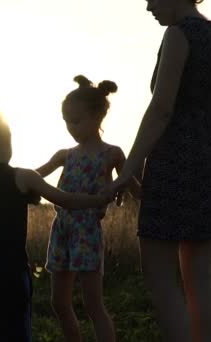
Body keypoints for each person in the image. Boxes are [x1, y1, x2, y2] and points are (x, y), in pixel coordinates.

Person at [104, 1, 211, 341]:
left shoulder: (178, 35)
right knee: (198, 276)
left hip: (176, 163)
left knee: (160, 274)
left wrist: (126, 171)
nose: (148, 6)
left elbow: (161, 110)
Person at [0, 107, 113, 342]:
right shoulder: (23, 177)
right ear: (9, 140)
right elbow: (66, 199)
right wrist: (99, 199)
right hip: (13, 272)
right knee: (19, 328)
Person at [37, 75, 140, 342]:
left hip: (87, 232)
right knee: (59, 303)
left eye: (76, 120)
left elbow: (137, 191)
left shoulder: (112, 154)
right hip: (60, 230)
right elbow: (33, 177)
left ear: (97, 116)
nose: (70, 127)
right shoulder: (64, 155)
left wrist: (122, 182)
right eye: (66, 122)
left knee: (93, 305)